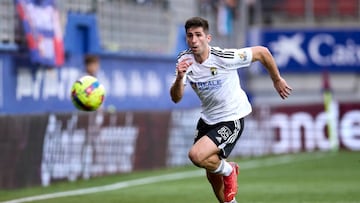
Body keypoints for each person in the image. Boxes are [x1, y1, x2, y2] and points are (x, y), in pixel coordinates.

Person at [170, 16, 292, 203]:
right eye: (189, 36)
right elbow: (176, 98)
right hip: (208, 119)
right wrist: (180, 77)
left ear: (208, 38)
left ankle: (228, 170)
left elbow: (262, 52)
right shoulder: (184, 61)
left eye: (198, 35)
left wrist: (276, 79)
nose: (194, 40)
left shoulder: (223, 57)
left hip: (232, 117)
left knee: (196, 155)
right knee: (211, 175)